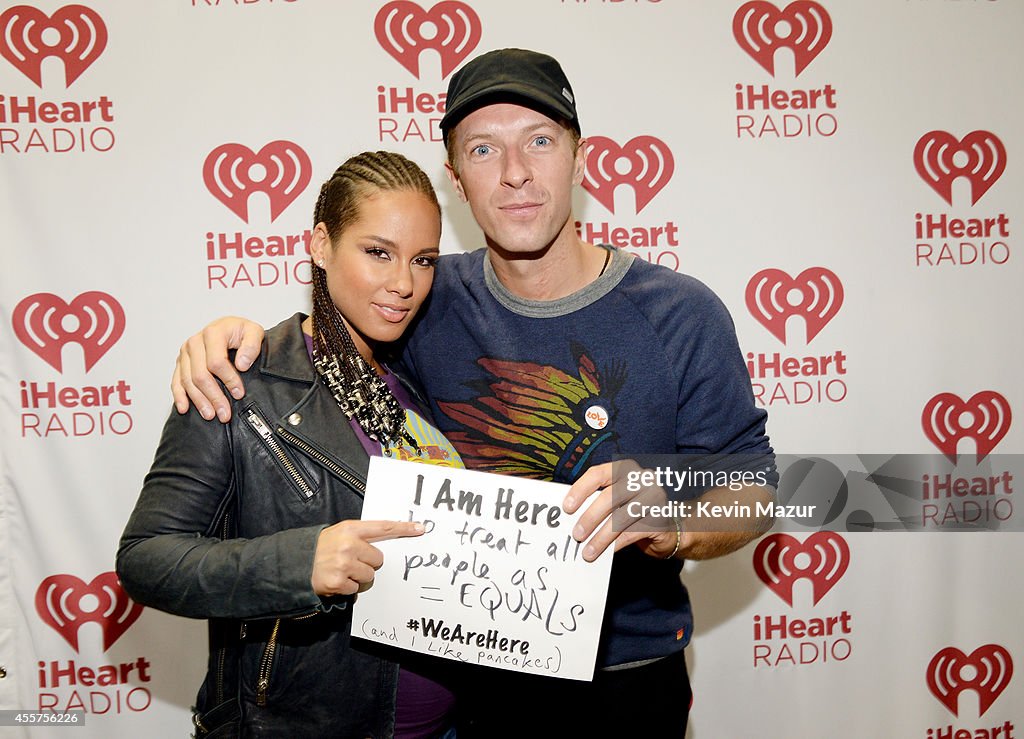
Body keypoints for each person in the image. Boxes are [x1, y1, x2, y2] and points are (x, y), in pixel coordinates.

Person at [171, 49, 776, 736]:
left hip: (624, 678)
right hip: (461, 681)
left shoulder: (680, 313)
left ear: (582, 158)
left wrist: (673, 523)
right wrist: (234, 340)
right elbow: (330, 341)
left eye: (539, 141)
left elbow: (751, 481)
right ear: (456, 179)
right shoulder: (424, 293)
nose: (516, 173)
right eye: (484, 149)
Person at [117, 151, 466, 738]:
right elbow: (147, 558)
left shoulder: (416, 382)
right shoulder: (241, 381)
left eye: (423, 259)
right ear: (321, 245)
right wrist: (298, 564)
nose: (404, 283)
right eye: (377, 252)